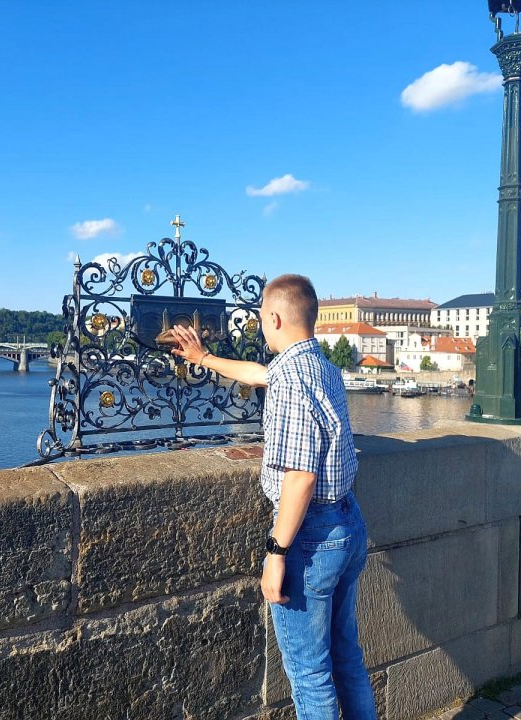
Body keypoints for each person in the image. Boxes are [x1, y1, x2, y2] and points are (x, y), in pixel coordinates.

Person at [171, 274, 376, 720]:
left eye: (262, 317)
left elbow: (300, 477)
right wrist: (203, 358)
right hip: (348, 521)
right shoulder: (321, 367)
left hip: (310, 538)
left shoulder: (291, 381)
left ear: (275, 318)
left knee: (310, 674)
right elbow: (259, 373)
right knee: (347, 656)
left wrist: (276, 552)